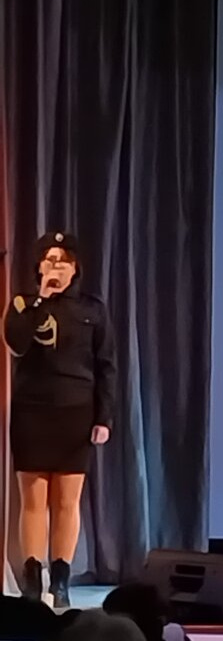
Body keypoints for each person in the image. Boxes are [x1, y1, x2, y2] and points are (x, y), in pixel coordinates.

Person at [3, 232, 116, 610]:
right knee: (33, 500)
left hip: (76, 411)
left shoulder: (93, 309)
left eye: (63, 261)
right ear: (39, 267)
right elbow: (16, 343)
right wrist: (41, 299)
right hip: (32, 411)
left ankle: (62, 579)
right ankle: (32, 581)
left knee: (67, 501)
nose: (56, 267)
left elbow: (106, 366)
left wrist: (104, 417)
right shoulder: (23, 303)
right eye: (50, 260)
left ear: (75, 268)